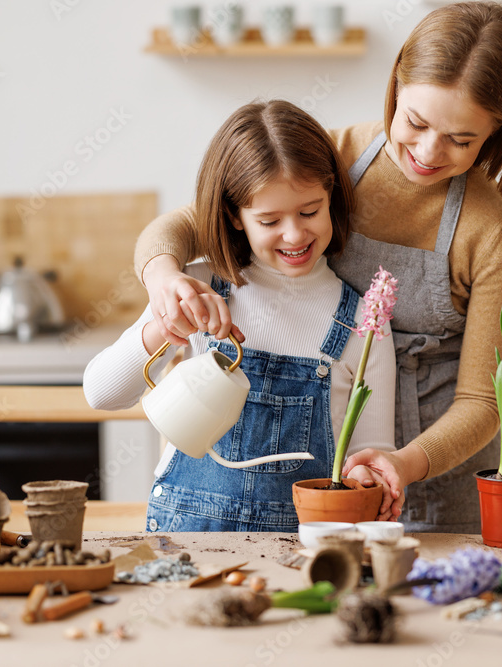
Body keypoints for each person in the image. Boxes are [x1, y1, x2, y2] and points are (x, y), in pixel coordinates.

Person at [132, 2, 502, 533]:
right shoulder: (335, 157)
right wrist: (163, 277)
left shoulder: (496, 230)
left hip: (439, 470)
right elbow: (184, 225)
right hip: (329, 476)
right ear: (395, 85)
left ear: (497, 132)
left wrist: (403, 463)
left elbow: (485, 401)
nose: (429, 152)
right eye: (415, 121)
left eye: (463, 140)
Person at [83, 100, 396, 533]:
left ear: (331, 198)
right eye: (269, 220)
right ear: (235, 215)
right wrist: (165, 327)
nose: (294, 234)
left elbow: (373, 450)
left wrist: (370, 479)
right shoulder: (198, 286)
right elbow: (100, 392)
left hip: (302, 559)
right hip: (185, 545)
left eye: (310, 211)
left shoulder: (363, 319)